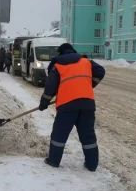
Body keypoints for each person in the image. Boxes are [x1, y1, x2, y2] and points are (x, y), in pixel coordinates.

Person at [38, 43, 105, 172]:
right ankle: (92, 164)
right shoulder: (86, 62)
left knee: (59, 134)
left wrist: (44, 103)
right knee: (88, 136)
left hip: (67, 105)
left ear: (60, 53)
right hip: (87, 104)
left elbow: (50, 87)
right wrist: (89, 84)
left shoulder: (58, 65)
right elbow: (101, 71)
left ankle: (54, 161)